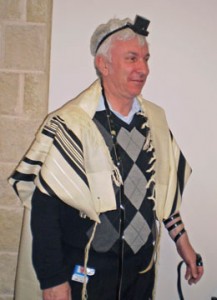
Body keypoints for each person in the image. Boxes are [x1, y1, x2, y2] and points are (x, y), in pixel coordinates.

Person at [9, 15, 204, 300]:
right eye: (132, 58)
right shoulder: (70, 125)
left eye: (146, 59)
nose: (143, 69)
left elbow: (163, 194)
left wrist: (184, 245)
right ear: (104, 64)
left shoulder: (156, 122)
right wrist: (52, 279)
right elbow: (45, 209)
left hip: (140, 273)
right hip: (86, 273)